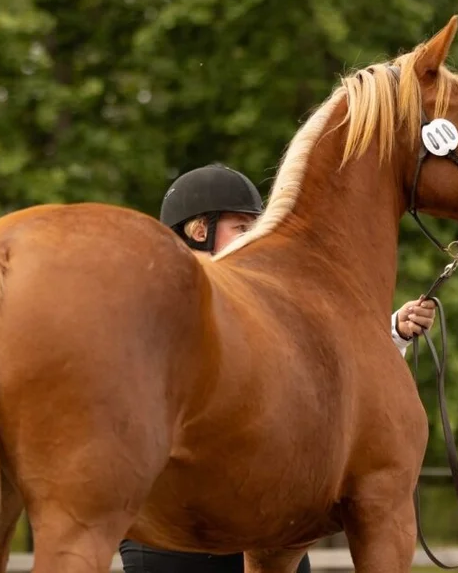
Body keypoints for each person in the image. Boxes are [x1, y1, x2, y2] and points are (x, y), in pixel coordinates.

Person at [118, 163, 435, 573]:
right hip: (175, 545)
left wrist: (391, 335)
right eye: (243, 227)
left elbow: (306, 383)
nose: (258, 240)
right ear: (200, 231)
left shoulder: (266, 312)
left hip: (264, 531)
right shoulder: (158, 295)